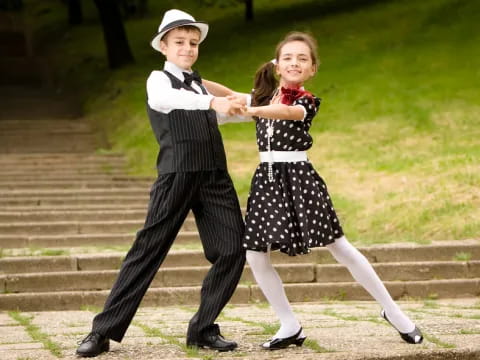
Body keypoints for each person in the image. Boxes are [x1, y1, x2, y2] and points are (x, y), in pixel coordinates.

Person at [76, 9, 248, 357]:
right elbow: (166, 101)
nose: (187, 48)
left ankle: (202, 328)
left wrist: (263, 101)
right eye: (180, 42)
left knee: (233, 248)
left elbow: (231, 112)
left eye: (193, 43)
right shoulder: (159, 80)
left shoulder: (200, 85)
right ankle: (102, 331)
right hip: (176, 176)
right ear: (164, 47)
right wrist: (212, 99)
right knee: (147, 251)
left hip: (214, 176)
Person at [238, 32, 424, 349]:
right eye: (288, 57)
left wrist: (251, 111)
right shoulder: (262, 98)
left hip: (299, 179)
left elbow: (289, 114)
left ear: (312, 69)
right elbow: (228, 95)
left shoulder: (305, 101)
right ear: (277, 65)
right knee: (255, 254)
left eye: (303, 58)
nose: (295, 62)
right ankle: (289, 324)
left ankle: (393, 311)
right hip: (267, 181)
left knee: (340, 247)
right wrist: (198, 86)